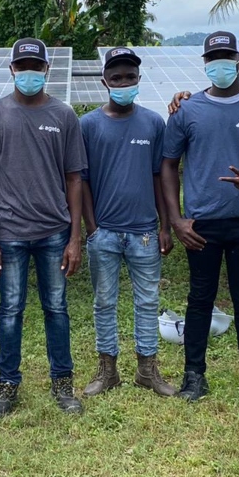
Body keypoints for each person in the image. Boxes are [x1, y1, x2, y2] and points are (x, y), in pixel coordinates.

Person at [161, 32, 239, 408]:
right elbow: (168, 166)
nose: (221, 64)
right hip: (200, 226)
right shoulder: (187, 110)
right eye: (213, 58)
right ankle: (193, 375)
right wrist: (176, 220)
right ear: (205, 64)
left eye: (227, 57)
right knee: (200, 298)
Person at [0, 37, 88, 419]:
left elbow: (74, 178)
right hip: (9, 233)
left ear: (46, 70)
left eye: (35, 67)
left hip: (54, 231)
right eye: (22, 67)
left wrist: (75, 237)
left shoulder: (64, 116)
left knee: (56, 308)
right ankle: (7, 383)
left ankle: (63, 382)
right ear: (11, 70)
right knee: (10, 310)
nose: (29, 73)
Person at [80, 47, 176, 399]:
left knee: (148, 301)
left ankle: (147, 371)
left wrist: (165, 226)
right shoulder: (88, 125)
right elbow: (81, 180)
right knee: (104, 302)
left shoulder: (153, 123)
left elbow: (159, 176)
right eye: (116, 78)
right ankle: (108, 371)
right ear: (105, 81)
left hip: (145, 234)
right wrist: (92, 227)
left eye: (130, 77)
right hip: (104, 233)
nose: (123, 83)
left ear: (139, 79)